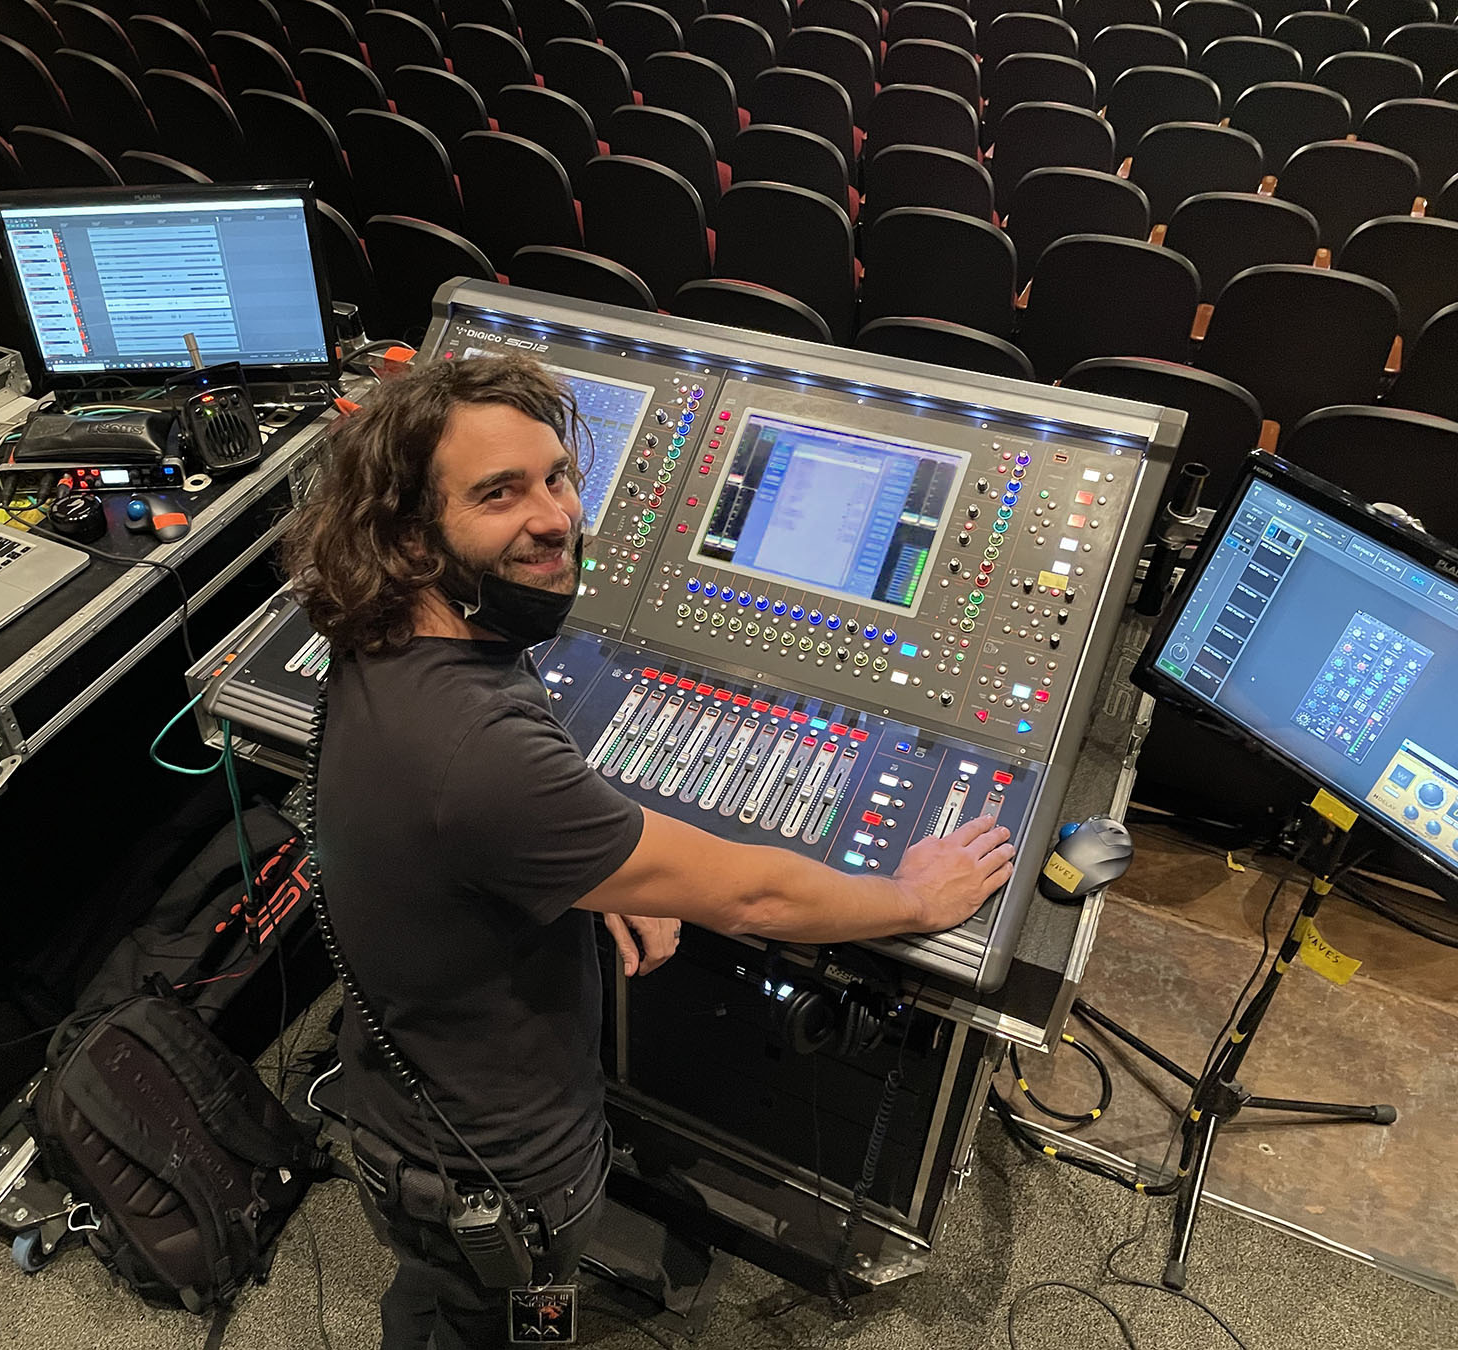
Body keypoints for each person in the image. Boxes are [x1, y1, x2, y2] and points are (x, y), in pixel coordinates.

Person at [281, 355, 1014, 1349]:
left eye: (557, 477)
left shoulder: (387, 638)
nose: (555, 515)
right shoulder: (484, 763)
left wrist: (589, 868)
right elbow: (755, 898)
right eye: (500, 494)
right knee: (517, 1317)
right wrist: (910, 898)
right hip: (502, 1174)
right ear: (413, 537)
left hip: (405, 1102)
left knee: (445, 1301)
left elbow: (489, 810)